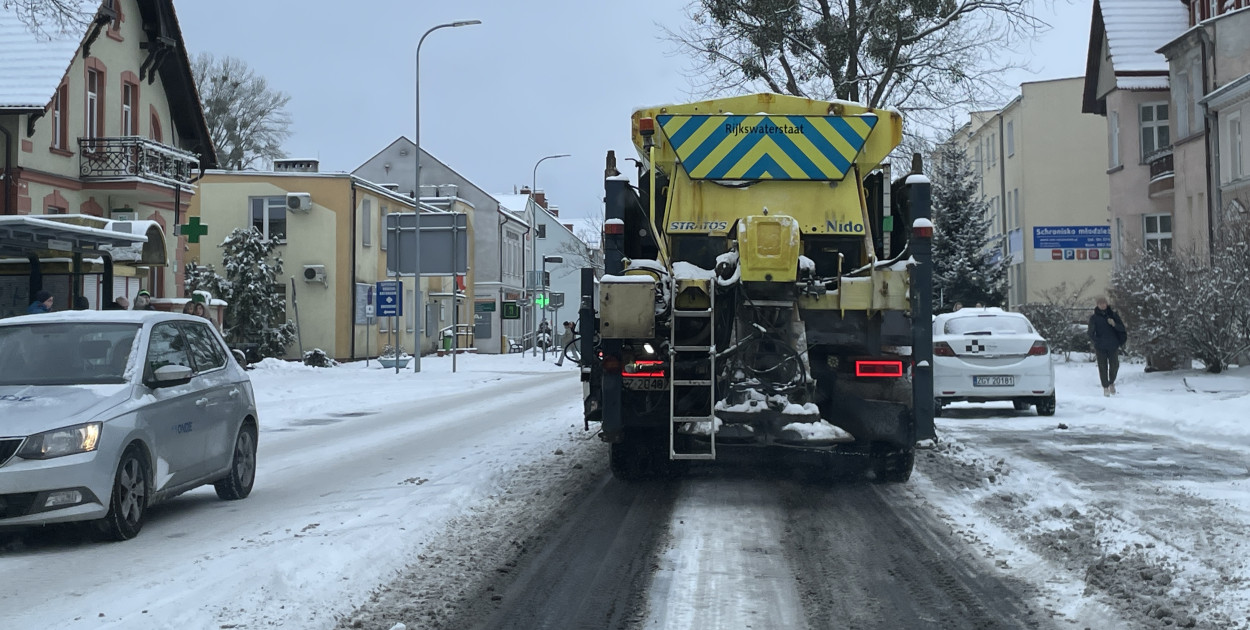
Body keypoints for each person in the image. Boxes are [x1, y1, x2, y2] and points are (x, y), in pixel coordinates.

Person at [1088, 296, 1128, 396]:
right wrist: (1097, 341)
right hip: (1100, 346)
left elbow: (1122, 329)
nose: (1102, 305)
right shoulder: (1094, 318)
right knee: (1102, 367)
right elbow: (1090, 332)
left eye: (1104, 303)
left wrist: (1114, 324)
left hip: (1113, 345)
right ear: (1097, 305)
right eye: (1100, 304)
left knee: (1115, 365)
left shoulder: (1113, 315)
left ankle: (1111, 382)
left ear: (1107, 304)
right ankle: (1105, 386)